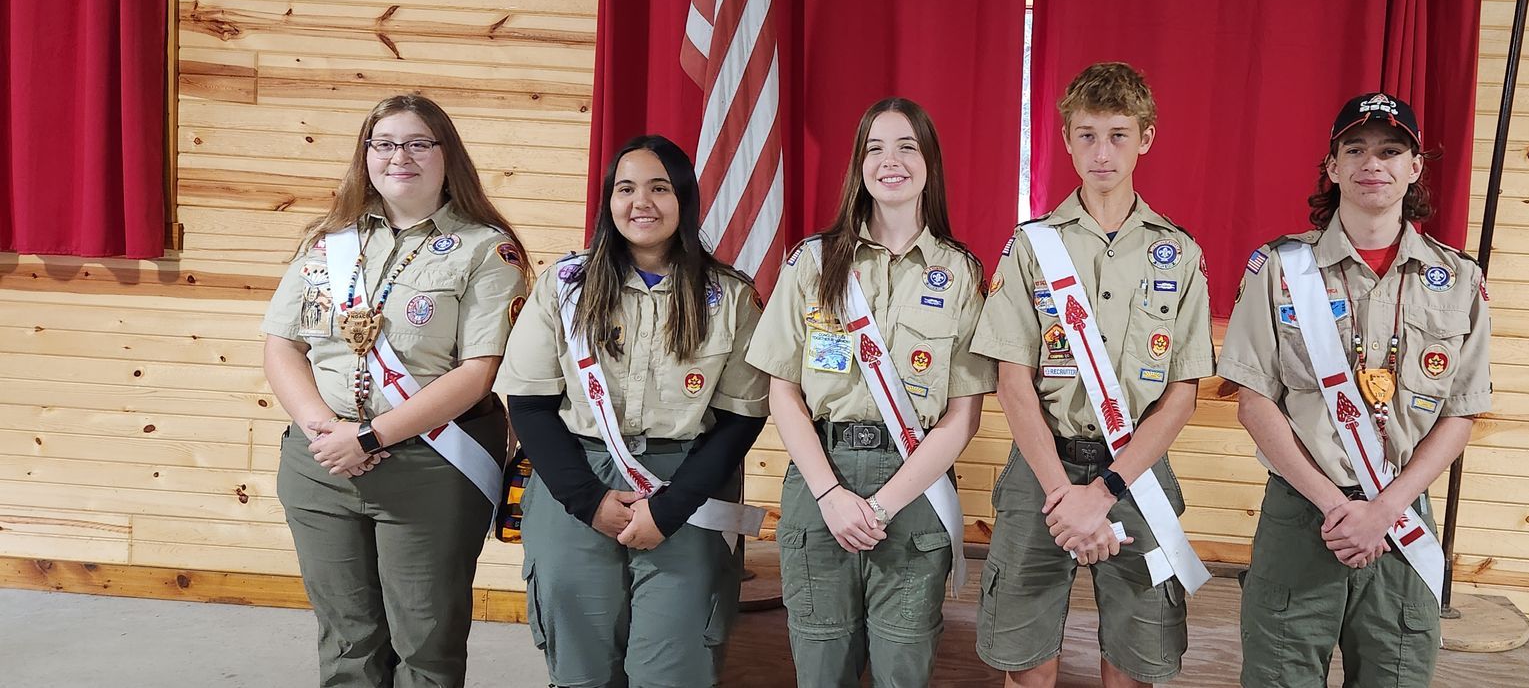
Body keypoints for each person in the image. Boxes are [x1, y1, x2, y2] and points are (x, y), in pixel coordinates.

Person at [1221, 92, 1491, 687]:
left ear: (1414, 167)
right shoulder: (1279, 268)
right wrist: (1337, 506)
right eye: (1356, 149)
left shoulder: (1459, 279)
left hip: (1402, 516)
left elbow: (1461, 413)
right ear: (1333, 164)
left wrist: (1383, 511)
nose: (1374, 163)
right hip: (1302, 513)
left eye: (1391, 150)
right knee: (1280, 678)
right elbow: (1253, 401)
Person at [261, 93, 530, 687]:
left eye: (416, 143)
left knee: (426, 643)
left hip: (432, 465)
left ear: (445, 154)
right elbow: (282, 345)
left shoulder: (487, 249)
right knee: (347, 642)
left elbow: (480, 370)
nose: (398, 157)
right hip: (322, 465)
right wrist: (324, 432)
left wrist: (370, 434)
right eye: (383, 144)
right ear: (366, 156)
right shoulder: (328, 243)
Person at [970, 62, 1215, 688]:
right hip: (1041, 469)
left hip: (1136, 473)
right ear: (1066, 139)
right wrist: (1063, 497)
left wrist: (1103, 492)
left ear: (1146, 138)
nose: (1101, 152)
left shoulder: (1179, 252)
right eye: (1086, 135)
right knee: (1023, 651)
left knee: (1139, 650)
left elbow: (1181, 395)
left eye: (1117, 134)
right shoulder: (1033, 245)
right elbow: (1012, 380)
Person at [498, 134, 770, 688]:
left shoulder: (730, 295)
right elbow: (528, 404)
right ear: (609, 200)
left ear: (683, 200)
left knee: (671, 665)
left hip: (685, 484)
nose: (640, 202)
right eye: (626, 188)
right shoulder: (564, 287)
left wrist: (670, 510)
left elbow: (742, 416)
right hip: (576, 478)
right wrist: (589, 501)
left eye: (659, 188)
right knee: (580, 665)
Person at [744, 97, 992, 687]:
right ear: (858, 165)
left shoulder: (960, 274)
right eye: (875, 147)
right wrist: (830, 493)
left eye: (908, 146)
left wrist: (881, 505)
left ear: (929, 162)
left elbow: (962, 419)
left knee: (903, 667)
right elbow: (783, 393)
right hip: (819, 474)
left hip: (914, 483)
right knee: (820, 664)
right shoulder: (813, 263)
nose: (891, 161)